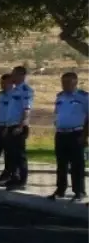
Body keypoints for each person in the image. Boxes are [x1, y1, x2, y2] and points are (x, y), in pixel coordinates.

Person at [50, 71, 89, 203]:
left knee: (77, 164)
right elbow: (57, 113)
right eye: (63, 82)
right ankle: (60, 189)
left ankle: (79, 191)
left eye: (68, 82)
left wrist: (84, 136)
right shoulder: (60, 97)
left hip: (76, 133)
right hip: (61, 133)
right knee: (61, 164)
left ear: (75, 82)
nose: (65, 85)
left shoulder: (83, 97)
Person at [2, 65, 33, 191]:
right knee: (11, 154)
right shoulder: (14, 90)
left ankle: (22, 180)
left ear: (21, 75)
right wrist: (6, 127)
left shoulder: (25, 90)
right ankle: (13, 178)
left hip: (19, 126)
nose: (12, 76)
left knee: (19, 155)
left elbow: (26, 110)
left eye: (14, 74)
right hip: (11, 125)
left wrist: (21, 126)